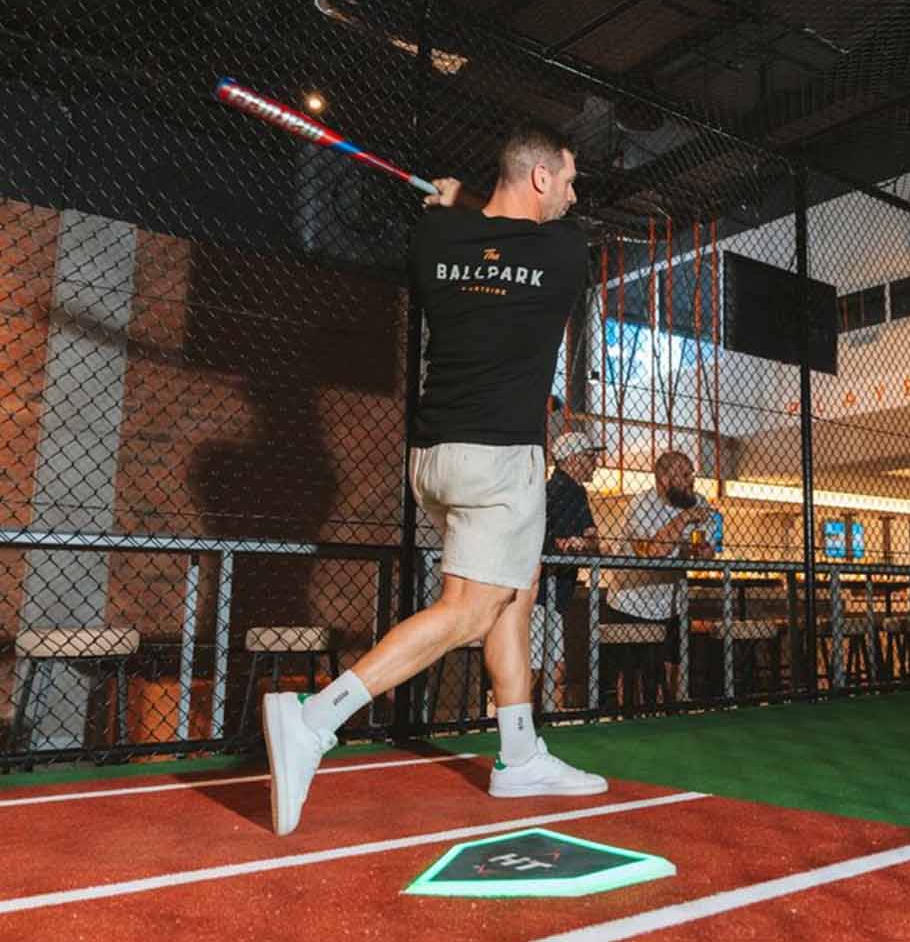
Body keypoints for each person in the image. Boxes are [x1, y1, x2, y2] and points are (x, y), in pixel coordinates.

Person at [261, 123, 605, 837]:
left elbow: (488, 230)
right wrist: (464, 198)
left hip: (435, 456)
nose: (573, 196)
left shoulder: (434, 239)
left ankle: (519, 755)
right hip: (500, 457)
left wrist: (458, 205)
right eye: (568, 180)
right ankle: (314, 718)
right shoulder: (565, 251)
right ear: (541, 177)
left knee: (515, 589)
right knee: (470, 609)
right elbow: (517, 232)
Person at [608, 452, 714, 703]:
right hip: (631, 601)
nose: (691, 480)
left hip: (672, 602)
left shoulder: (698, 502)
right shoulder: (642, 505)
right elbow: (653, 551)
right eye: (684, 475)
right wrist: (684, 518)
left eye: (691, 474)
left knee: (671, 668)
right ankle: (628, 718)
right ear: (664, 480)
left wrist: (704, 551)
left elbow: (707, 548)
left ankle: (669, 714)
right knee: (631, 674)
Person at [535, 431, 603, 710]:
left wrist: (579, 543)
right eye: (590, 456)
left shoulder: (567, 490)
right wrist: (569, 544)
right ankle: (531, 719)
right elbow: (587, 542)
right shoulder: (565, 490)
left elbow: (591, 541)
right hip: (542, 592)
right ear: (572, 459)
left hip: (548, 591)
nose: (596, 462)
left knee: (548, 663)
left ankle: (539, 718)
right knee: (542, 664)